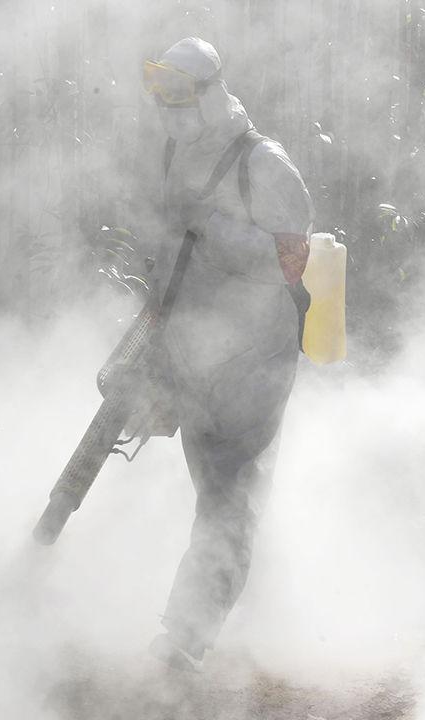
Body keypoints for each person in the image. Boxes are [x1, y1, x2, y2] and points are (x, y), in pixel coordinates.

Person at [141, 37, 313, 671]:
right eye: (161, 91)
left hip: (255, 363)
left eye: (180, 93)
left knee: (227, 499)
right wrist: (155, 330)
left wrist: (209, 229)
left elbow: (292, 261)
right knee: (214, 492)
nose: (168, 105)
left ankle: (184, 641)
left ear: (211, 94)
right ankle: (253, 601)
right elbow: (171, 254)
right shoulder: (174, 154)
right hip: (191, 355)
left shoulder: (263, 162)